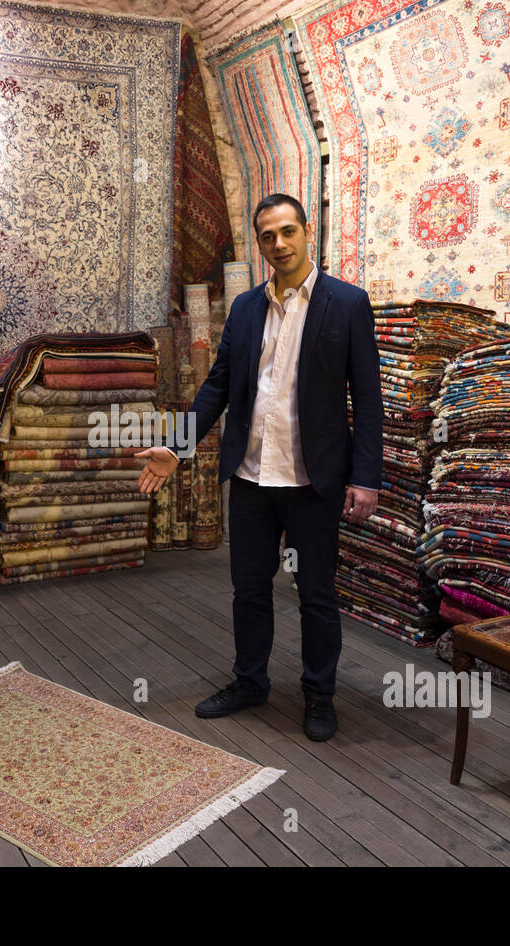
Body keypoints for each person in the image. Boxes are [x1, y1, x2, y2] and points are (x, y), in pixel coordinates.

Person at [137, 193, 382, 742]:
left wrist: (366, 477)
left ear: (307, 232)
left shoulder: (347, 303)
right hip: (251, 477)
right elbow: (217, 386)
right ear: (259, 243)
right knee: (248, 589)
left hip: (313, 480)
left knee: (316, 593)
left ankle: (319, 694)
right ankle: (250, 682)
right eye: (268, 236)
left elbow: (368, 398)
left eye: (288, 231)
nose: (279, 243)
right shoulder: (247, 308)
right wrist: (177, 447)